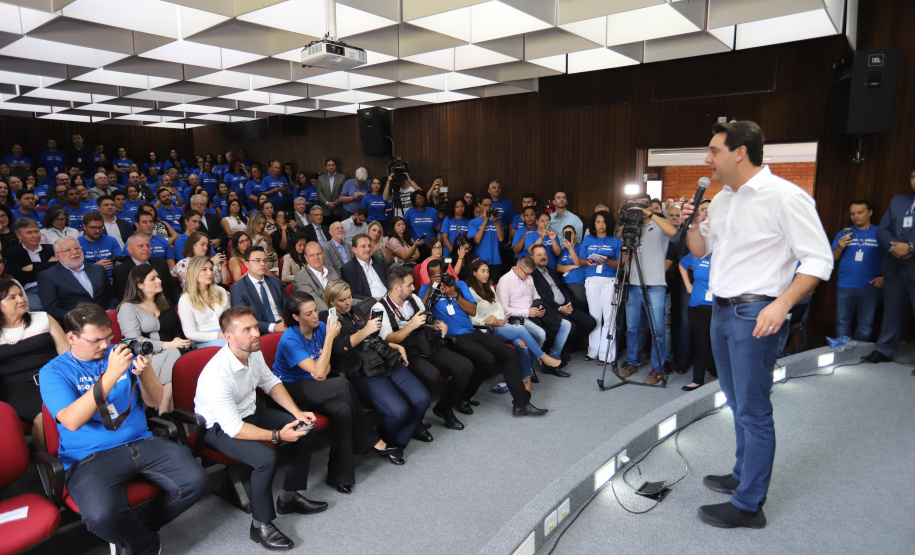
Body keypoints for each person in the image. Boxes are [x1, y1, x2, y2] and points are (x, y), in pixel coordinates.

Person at [681, 120, 833, 529]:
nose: (707, 159)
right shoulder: (724, 200)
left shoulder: (785, 197)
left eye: (713, 150)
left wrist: (782, 305)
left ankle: (750, 506)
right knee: (736, 403)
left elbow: (819, 259)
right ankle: (740, 475)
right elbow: (699, 249)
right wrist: (694, 224)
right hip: (721, 309)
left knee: (754, 410)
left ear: (739, 153)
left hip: (757, 314)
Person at [39, 303, 207, 555]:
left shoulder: (119, 354)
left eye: (108, 337)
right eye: (96, 340)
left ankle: (140, 530)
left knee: (196, 481)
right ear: (71, 338)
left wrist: (145, 372)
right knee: (101, 515)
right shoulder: (54, 371)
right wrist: (111, 374)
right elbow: (71, 421)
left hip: (141, 441)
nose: (105, 346)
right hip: (89, 456)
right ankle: (145, 544)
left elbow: (153, 401)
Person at [195, 306, 326, 551]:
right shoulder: (217, 375)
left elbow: (270, 382)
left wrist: (297, 413)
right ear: (229, 337)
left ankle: (288, 497)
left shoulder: (252, 351)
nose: (256, 333)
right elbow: (234, 428)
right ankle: (260, 525)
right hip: (219, 428)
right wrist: (278, 435)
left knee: (306, 427)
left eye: (255, 326)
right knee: (266, 457)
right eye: (247, 330)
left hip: (251, 412)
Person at [274, 292, 397, 492]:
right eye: (308, 313)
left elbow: (326, 368)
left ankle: (340, 476)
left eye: (315, 310)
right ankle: (371, 439)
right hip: (290, 390)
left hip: (317, 385)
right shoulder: (289, 339)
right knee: (342, 384)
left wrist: (321, 369)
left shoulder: (321, 327)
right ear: (296, 317)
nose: (316, 316)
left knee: (342, 409)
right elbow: (320, 369)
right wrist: (329, 340)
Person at [419, 261, 547, 417]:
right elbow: (422, 312)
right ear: (429, 275)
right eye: (435, 275)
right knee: (486, 359)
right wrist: (432, 287)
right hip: (452, 338)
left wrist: (454, 294)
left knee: (508, 353)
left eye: (443, 274)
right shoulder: (425, 290)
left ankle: (521, 404)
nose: (441, 278)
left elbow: (473, 311)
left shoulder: (458, 285)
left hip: (472, 331)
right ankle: (464, 397)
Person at [323, 280, 430, 462]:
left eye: (350, 297)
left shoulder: (355, 312)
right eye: (342, 300)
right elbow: (340, 349)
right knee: (399, 411)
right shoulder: (327, 317)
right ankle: (388, 443)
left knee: (422, 399)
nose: (348, 302)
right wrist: (365, 330)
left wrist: (395, 345)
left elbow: (374, 338)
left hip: (382, 360)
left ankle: (392, 439)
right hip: (361, 371)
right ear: (332, 301)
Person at [375, 266, 472, 431]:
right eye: (410, 285)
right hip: (406, 352)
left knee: (465, 367)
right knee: (432, 376)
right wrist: (411, 326)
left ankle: (444, 408)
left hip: (426, 342)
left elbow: (426, 317)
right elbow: (389, 339)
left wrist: (436, 324)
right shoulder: (380, 308)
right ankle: (416, 419)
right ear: (396, 288)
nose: (414, 288)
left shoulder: (413, 299)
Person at [466, 260, 563, 390]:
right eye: (483, 271)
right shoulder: (470, 292)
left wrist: (497, 318)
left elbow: (500, 308)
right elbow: (472, 319)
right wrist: (489, 321)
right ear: (474, 273)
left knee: (521, 344)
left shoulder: (488, 287)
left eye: (488, 271)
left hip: (499, 324)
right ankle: (543, 357)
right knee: (521, 329)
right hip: (486, 330)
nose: (486, 274)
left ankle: (525, 381)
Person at [0, 278, 68, 451]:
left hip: (54, 378)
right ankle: (52, 468)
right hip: (17, 388)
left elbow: (66, 353)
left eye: (21, 294)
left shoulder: (43, 318)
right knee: (44, 416)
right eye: (12, 298)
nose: (21, 300)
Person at [617, 193, 677, 385]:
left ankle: (657, 368)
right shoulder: (632, 227)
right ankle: (632, 362)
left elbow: (673, 232)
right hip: (634, 284)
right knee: (632, 328)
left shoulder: (658, 223)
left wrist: (649, 214)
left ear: (650, 207)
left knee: (657, 330)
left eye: (642, 207)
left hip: (656, 285)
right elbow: (620, 240)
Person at [116, 265, 190, 415]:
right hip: (143, 357)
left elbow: (174, 329)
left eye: (158, 276)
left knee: (175, 353)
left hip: (169, 352)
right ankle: (166, 410)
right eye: (153, 278)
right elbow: (133, 339)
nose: (159, 280)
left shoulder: (164, 302)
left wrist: (177, 338)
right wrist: (168, 345)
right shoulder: (128, 308)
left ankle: (163, 410)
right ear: (139, 285)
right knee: (173, 353)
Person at [863, 170, 915, 362]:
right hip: (893, 266)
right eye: (912, 177)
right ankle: (883, 350)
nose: (914, 180)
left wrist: (911, 247)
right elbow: (883, 229)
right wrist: (894, 248)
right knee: (891, 311)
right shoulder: (898, 200)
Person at [497, 256, 572, 376]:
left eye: (529, 274)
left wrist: (539, 308)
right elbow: (504, 309)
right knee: (540, 334)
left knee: (566, 325)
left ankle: (552, 360)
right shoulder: (505, 281)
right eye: (526, 274)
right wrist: (527, 312)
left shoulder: (529, 277)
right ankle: (529, 366)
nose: (528, 277)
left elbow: (536, 297)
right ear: (518, 268)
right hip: (517, 317)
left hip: (534, 312)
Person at [828, 200, 883, 341]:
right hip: (845, 285)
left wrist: (885, 278)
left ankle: (857, 355)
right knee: (842, 322)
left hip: (870, 285)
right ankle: (843, 352)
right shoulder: (845, 233)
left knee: (866, 325)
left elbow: (891, 258)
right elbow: (832, 258)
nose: (855, 216)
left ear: (870, 213)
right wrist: (839, 247)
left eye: (860, 212)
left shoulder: (880, 232)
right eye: (852, 213)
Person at [529, 243, 596, 354]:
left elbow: (562, 288)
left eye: (544, 254)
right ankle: (556, 349)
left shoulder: (550, 270)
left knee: (590, 322)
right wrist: (560, 308)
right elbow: (541, 296)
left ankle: (569, 346)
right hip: (551, 309)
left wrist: (568, 303)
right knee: (571, 329)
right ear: (532, 257)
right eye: (539, 255)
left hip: (566, 306)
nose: (543, 257)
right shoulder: (532, 274)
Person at [577, 211, 623, 365]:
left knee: (609, 317)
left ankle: (606, 354)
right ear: (593, 224)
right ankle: (593, 351)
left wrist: (608, 261)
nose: (601, 225)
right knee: (594, 316)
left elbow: (621, 263)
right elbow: (580, 260)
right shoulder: (588, 239)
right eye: (598, 222)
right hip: (591, 280)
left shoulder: (616, 240)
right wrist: (587, 262)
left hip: (609, 280)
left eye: (604, 222)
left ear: (608, 223)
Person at [38, 237, 113, 321]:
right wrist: (83, 318)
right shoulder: (48, 276)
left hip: (106, 318)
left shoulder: (98, 269)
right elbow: (52, 310)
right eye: (68, 250)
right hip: (77, 323)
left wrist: (110, 311)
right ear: (57, 256)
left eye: (77, 248)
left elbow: (112, 297)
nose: (75, 252)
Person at [678, 247, 714, 392]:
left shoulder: (725, 253)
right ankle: (697, 380)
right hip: (698, 304)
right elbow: (682, 264)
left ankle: (719, 372)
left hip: (719, 307)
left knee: (721, 343)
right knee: (702, 344)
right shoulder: (697, 253)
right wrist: (688, 284)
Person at [230, 246, 287, 334]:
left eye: (265, 260)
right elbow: (244, 318)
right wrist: (274, 327)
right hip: (260, 332)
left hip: (284, 326)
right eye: (257, 260)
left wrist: (287, 321)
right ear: (247, 264)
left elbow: (287, 307)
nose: (262, 264)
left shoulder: (276, 282)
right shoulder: (238, 288)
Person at [178, 256, 231, 349]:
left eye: (211, 269)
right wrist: (218, 335)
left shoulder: (220, 291)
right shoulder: (185, 299)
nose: (210, 273)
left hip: (226, 334)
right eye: (204, 270)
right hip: (204, 339)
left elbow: (230, 319)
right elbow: (190, 334)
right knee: (231, 347)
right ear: (194, 273)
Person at [114, 234, 181, 305]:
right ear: (130, 250)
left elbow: (172, 288)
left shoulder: (160, 263)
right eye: (141, 246)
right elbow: (126, 298)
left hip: (167, 306)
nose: (146, 248)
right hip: (142, 310)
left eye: (148, 245)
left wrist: (179, 305)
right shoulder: (121, 271)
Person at [4, 219, 56, 309]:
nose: (35, 235)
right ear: (19, 236)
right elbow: (19, 277)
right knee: (36, 308)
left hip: (54, 286)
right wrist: (47, 266)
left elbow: (59, 268)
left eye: (37, 231)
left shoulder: (51, 249)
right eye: (29, 233)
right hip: (31, 290)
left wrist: (34, 266)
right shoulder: (11, 253)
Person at [293, 241, 339, 313]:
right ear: (306, 257)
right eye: (311, 255)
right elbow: (316, 304)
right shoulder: (301, 277)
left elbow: (341, 294)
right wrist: (336, 313)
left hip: (340, 311)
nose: (316, 258)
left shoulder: (332, 271)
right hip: (322, 317)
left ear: (323, 254)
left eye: (319, 254)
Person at [341, 233, 388, 300]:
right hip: (370, 303)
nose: (368, 249)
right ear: (354, 250)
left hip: (389, 299)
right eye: (363, 246)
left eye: (369, 246)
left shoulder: (380, 262)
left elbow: (390, 282)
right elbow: (352, 294)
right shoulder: (348, 269)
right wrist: (374, 300)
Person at [78, 212, 121, 281]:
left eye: (100, 227)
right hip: (89, 278)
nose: (97, 231)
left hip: (111, 277)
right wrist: (94, 266)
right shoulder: (77, 243)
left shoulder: (111, 240)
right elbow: (76, 268)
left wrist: (119, 263)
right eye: (93, 228)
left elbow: (119, 259)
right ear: (84, 227)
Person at [468, 197, 504, 281]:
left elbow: (501, 239)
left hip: (495, 260)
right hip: (481, 260)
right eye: (485, 205)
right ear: (479, 205)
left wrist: (497, 222)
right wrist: (484, 221)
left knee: (495, 286)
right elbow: (477, 240)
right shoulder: (473, 222)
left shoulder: (496, 221)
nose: (488, 208)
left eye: (490, 205)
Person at [556, 225, 587, 310]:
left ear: (576, 234)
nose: (568, 236)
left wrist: (570, 249)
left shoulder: (581, 247)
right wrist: (573, 266)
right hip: (564, 284)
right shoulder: (563, 251)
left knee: (578, 309)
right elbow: (558, 268)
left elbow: (578, 261)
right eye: (566, 234)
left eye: (570, 233)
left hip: (577, 283)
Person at [403, 191, 439, 259]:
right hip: (417, 246)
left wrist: (442, 218)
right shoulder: (410, 212)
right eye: (417, 199)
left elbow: (437, 229)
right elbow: (405, 227)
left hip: (431, 245)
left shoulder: (433, 211)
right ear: (414, 201)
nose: (420, 200)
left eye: (422, 198)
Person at [246, 211, 279, 276]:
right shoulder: (246, 236)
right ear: (253, 222)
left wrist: (269, 244)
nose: (261, 226)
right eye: (259, 223)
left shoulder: (265, 234)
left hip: (268, 263)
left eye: (263, 223)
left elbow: (271, 254)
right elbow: (245, 253)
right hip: (256, 264)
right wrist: (256, 243)